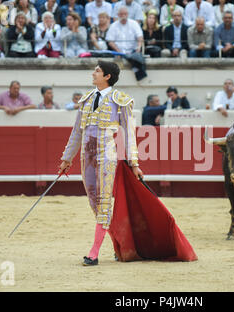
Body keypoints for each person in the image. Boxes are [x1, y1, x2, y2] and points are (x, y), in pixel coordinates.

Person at [58, 60, 143, 266]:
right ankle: (118, 245)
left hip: (107, 155)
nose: (93, 73)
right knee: (94, 201)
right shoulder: (87, 99)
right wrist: (66, 159)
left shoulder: (120, 100)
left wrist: (134, 162)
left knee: (104, 201)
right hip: (86, 158)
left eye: (97, 71)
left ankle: (94, 252)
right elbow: (77, 131)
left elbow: (129, 133)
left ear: (107, 76)